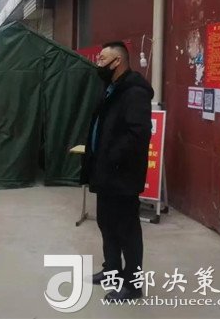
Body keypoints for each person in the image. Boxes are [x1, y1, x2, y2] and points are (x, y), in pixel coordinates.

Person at [80, 41, 153, 301]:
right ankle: (111, 269)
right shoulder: (110, 88)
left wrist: (112, 158)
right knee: (107, 223)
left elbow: (138, 134)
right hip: (105, 172)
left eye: (102, 60)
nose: (98, 64)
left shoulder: (134, 93)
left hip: (122, 175)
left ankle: (133, 285)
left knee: (126, 229)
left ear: (117, 62)